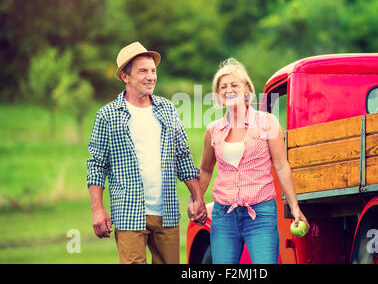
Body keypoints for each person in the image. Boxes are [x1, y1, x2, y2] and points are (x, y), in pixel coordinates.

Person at [86, 41, 207, 264]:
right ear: (125, 76)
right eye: (143, 71)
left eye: (153, 71)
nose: (151, 76)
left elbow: (182, 156)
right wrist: (98, 210)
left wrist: (198, 197)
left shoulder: (167, 109)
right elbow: (96, 165)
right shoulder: (107, 115)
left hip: (167, 211)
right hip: (129, 212)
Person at [198, 58, 309, 264]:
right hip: (224, 216)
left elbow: (282, 165)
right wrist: (196, 199)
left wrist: (294, 206)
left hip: (260, 213)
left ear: (247, 89)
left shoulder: (267, 122)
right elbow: (205, 170)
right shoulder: (213, 130)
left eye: (234, 85)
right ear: (218, 94)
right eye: (223, 86)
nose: (229, 90)